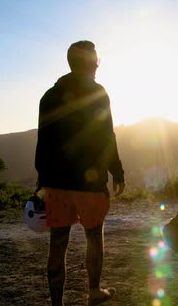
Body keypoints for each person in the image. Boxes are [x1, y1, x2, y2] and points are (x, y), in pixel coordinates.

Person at [35, 40, 125, 306]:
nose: (97, 66)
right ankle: (94, 291)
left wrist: (42, 178)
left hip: (56, 182)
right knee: (94, 236)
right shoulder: (98, 93)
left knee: (58, 240)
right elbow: (107, 135)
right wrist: (117, 171)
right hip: (90, 181)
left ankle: (56, 303)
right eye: (96, 61)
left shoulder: (49, 96)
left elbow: (43, 140)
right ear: (89, 64)